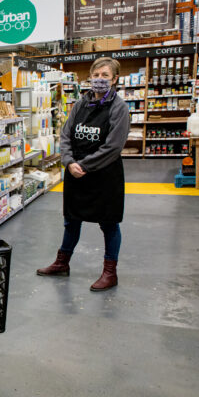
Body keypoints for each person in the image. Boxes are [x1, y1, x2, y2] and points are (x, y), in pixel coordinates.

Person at [36, 57, 129, 291]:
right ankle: (62, 263)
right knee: (71, 220)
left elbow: (113, 146)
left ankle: (110, 273)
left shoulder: (119, 108)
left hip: (104, 175)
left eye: (105, 76)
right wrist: (68, 161)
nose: (99, 79)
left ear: (115, 79)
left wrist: (85, 166)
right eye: (96, 75)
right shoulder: (80, 104)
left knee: (109, 224)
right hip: (75, 172)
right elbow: (65, 134)